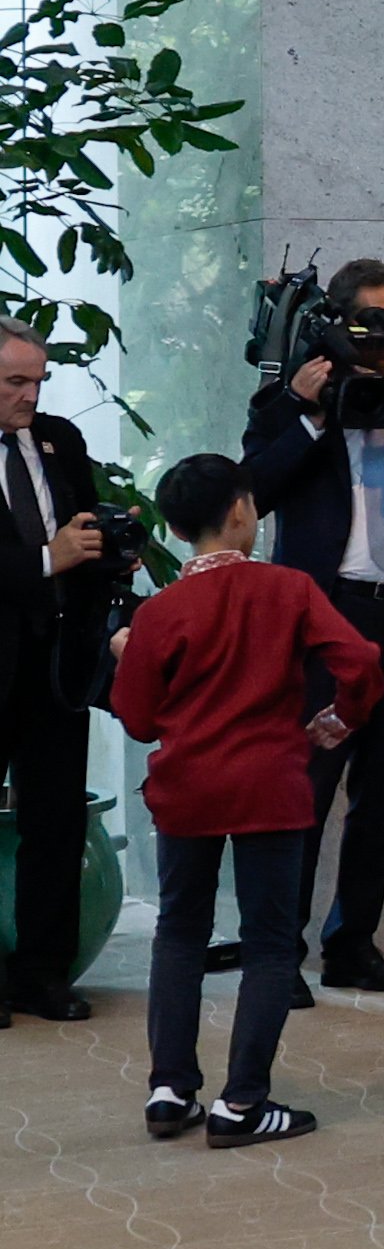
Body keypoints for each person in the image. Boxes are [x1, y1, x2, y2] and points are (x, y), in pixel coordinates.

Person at [110, 457, 377, 1145]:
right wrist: (337, 720)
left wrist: (128, 653)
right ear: (239, 511)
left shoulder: (160, 610)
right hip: (270, 783)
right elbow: (362, 664)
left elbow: (138, 719)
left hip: (188, 787)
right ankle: (243, 1104)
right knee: (266, 944)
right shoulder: (288, 589)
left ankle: (170, 1091)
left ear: (172, 523)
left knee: (178, 931)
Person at [236, 257, 384, 999]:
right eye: (375, 330)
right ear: (339, 329)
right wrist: (311, 416)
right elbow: (254, 492)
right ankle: (281, 953)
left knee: (382, 795)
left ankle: (353, 943)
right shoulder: (287, 398)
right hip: (321, 619)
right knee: (305, 790)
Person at [0, 317, 110, 1023]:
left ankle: (43, 971)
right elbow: (48, 552)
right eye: (15, 381)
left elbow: (82, 528)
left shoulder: (58, 439)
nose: (31, 395)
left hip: (55, 660)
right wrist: (49, 560)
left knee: (56, 816)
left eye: (38, 380)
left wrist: (108, 550)